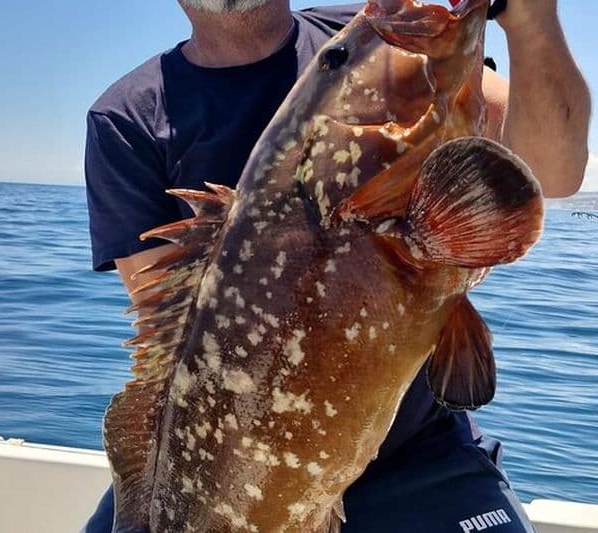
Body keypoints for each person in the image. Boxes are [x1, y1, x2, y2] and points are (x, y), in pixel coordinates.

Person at [83, 1, 590, 531]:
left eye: (335, 60)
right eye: (337, 59)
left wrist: (531, 18)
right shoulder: (126, 117)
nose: (342, 56)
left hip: (419, 454)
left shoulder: (364, 35)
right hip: (226, 474)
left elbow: (555, 171)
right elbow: (173, 339)